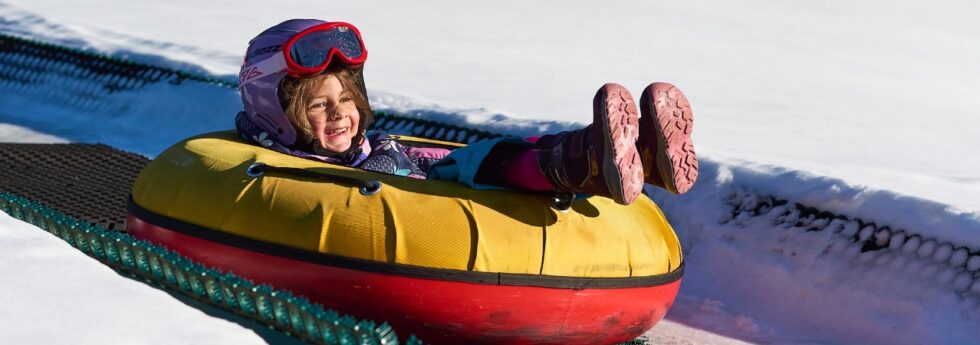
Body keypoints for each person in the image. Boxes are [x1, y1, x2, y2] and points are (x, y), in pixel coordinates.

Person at [235, 19, 698, 206]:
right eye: (319, 105)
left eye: (347, 99)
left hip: (409, 176)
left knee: (488, 154)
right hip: (412, 200)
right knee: (481, 165)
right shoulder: (276, 170)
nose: (340, 115)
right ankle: (587, 161)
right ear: (274, 109)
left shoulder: (363, 145)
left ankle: (634, 154)